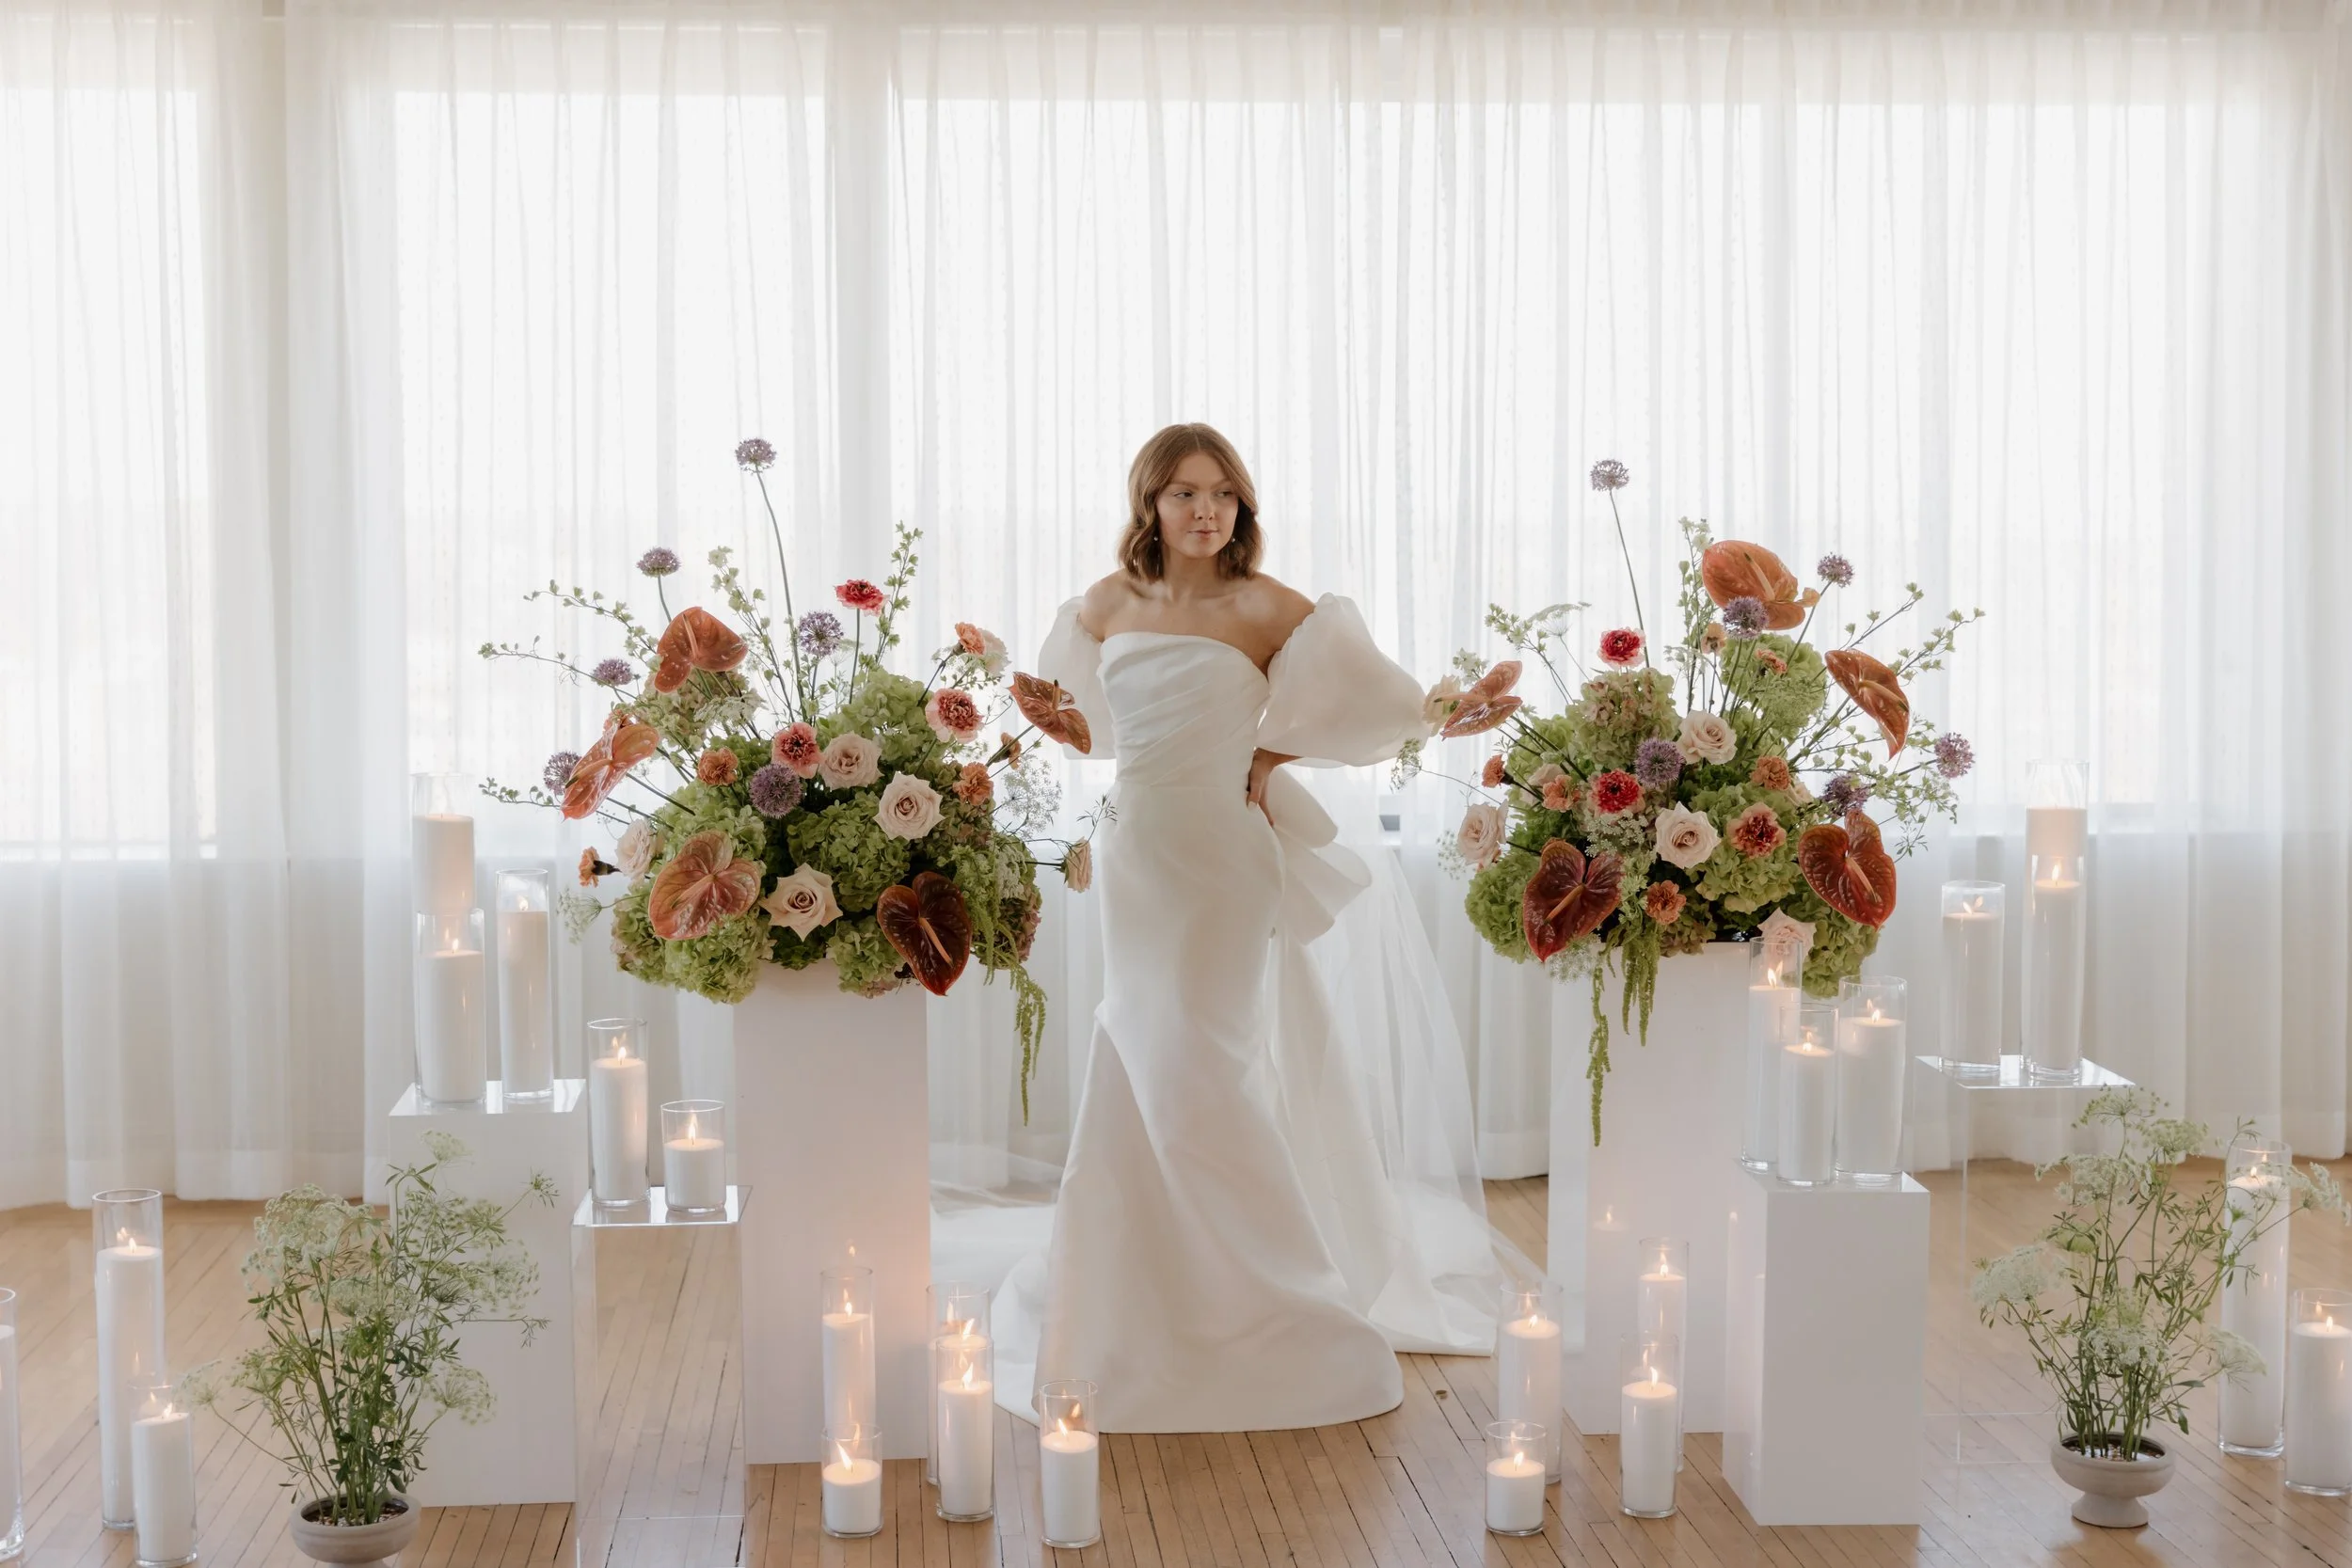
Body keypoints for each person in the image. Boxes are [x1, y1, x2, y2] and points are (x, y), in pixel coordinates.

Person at [1016, 422, 1454, 1431]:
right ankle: (1139, 1287)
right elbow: (1088, 729)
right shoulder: (1103, 605)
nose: (1203, 509)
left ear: (1240, 505)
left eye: (1220, 492)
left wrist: (1272, 759)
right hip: (1136, 857)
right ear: (1150, 506)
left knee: (1205, 1059)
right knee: (1140, 1049)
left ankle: (1272, 1300)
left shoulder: (1271, 606)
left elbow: (1386, 706)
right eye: (1181, 493)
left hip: (1222, 863)